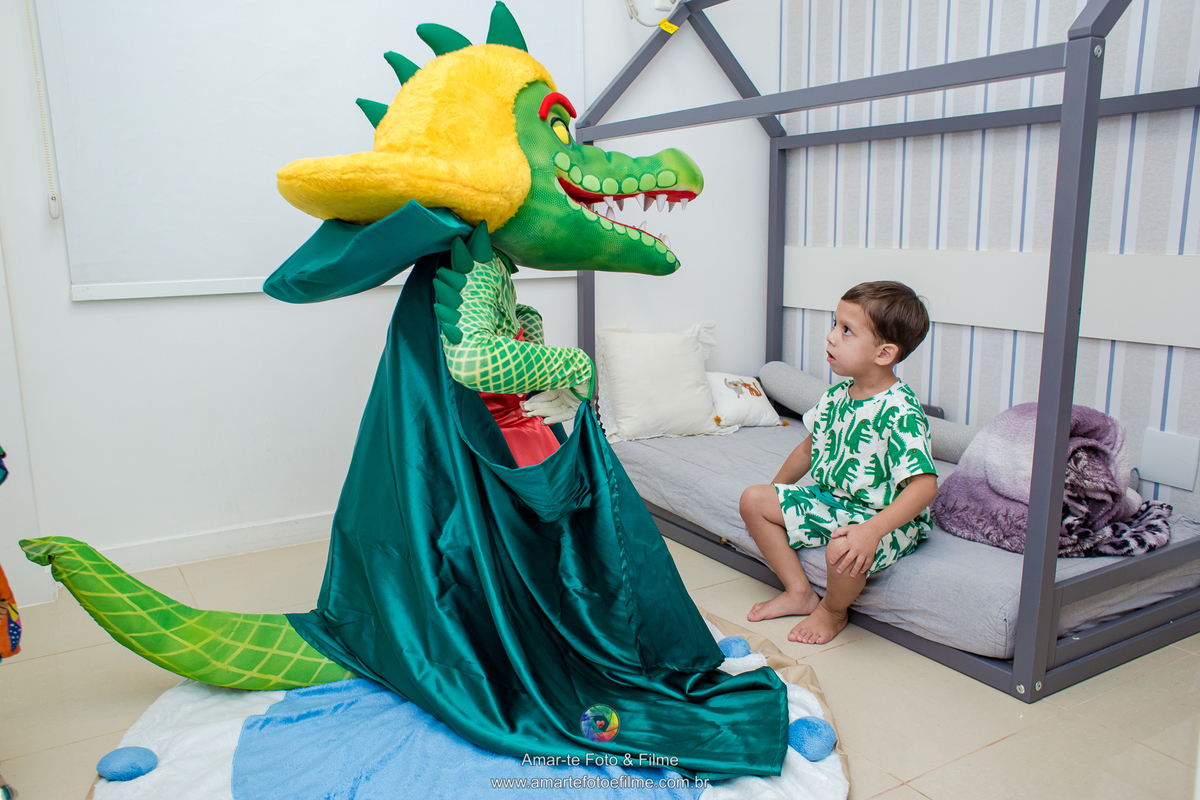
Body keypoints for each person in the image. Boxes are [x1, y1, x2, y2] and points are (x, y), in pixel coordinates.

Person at [742, 281, 939, 644]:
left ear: (884, 354)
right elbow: (807, 449)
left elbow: (924, 486)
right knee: (754, 499)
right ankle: (798, 591)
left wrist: (871, 531)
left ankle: (832, 610)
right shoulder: (835, 395)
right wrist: (776, 494)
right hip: (831, 499)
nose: (831, 337)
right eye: (835, 325)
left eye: (846, 331)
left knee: (842, 548)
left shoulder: (900, 410)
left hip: (881, 517)